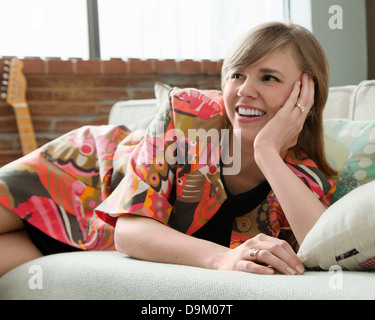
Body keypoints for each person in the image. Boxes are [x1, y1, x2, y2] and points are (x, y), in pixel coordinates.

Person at [0, 22, 337, 277]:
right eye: (237, 74)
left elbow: (325, 250)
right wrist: (224, 258)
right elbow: (131, 231)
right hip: (80, 175)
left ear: (305, 92)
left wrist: (266, 152)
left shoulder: (307, 179)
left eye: (268, 78)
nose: (245, 90)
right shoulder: (188, 112)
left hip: (91, 235)